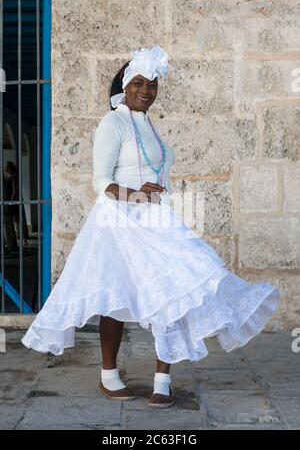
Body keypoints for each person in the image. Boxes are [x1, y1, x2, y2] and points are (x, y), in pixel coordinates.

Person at [21, 45, 280, 408]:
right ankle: (108, 376)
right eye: (139, 83)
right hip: (118, 219)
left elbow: (161, 180)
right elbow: (101, 182)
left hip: (155, 219)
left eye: (152, 85)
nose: (146, 90)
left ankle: (163, 381)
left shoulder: (150, 127)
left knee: (171, 294)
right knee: (115, 297)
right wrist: (136, 194)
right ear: (125, 86)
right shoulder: (113, 123)